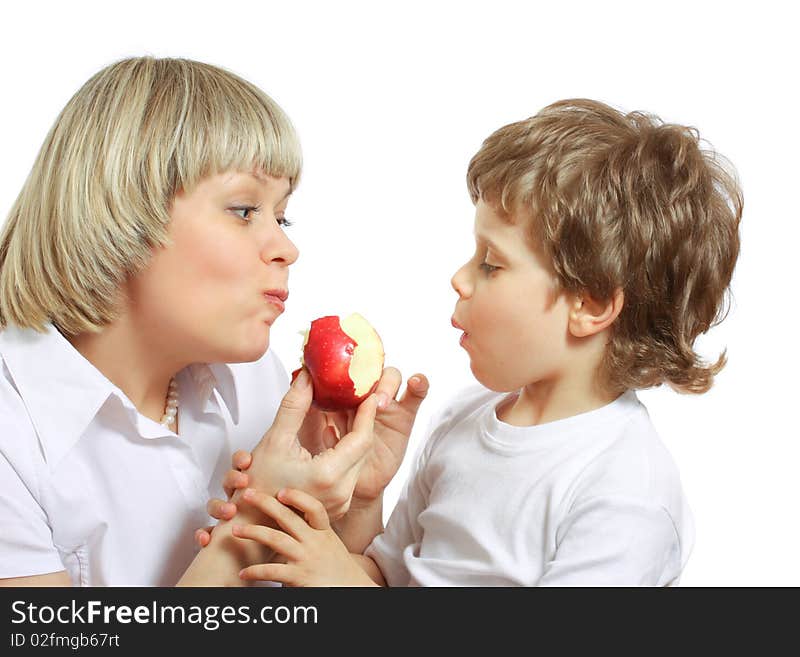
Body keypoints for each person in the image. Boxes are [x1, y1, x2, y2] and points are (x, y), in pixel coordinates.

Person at [207, 98, 742, 586]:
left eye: (492, 263)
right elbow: (387, 578)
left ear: (592, 305)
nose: (461, 278)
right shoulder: (466, 419)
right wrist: (335, 515)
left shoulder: (626, 491)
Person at [0, 56, 429, 586]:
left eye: (282, 215)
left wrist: (354, 503)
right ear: (122, 211)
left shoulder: (256, 383)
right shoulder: (13, 431)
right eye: (245, 210)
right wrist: (254, 519)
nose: (287, 247)